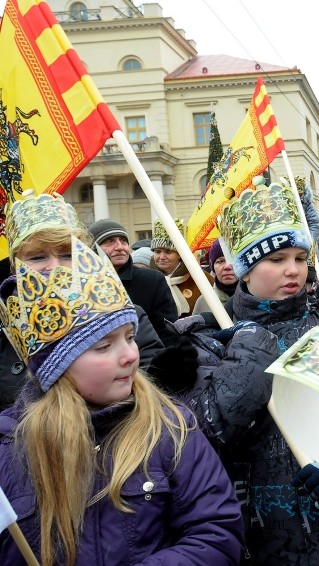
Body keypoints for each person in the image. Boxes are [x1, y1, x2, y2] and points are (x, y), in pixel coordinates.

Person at [175, 180, 319, 565]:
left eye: (300, 258)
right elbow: (209, 431)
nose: (294, 271)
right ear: (243, 270)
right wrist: (249, 345)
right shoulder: (207, 340)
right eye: (276, 260)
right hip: (251, 530)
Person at [0, 232, 243, 565]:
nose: (130, 355)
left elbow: (216, 533)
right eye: (103, 346)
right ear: (57, 367)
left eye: (129, 337)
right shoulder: (9, 447)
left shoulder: (170, 428)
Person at [1, 195, 166, 411]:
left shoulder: (127, 318)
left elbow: (151, 381)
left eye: (67, 254)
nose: (55, 267)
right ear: (15, 267)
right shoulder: (5, 334)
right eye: (37, 257)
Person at [89, 218, 177, 342]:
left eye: (123, 241)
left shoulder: (152, 280)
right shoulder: (83, 284)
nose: (120, 247)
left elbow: (168, 332)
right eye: (110, 242)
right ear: (92, 249)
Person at [149, 218, 213, 317]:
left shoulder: (201, 278)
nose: (161, 257)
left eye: (168, 252)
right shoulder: (147, 279)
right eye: (157, 252)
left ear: (179, 254)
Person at [192, 238, 237, 314]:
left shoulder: (256, 299)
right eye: (220, 261)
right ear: (213, 267)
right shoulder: (204, 302)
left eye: (232, 259)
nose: (227, 266)